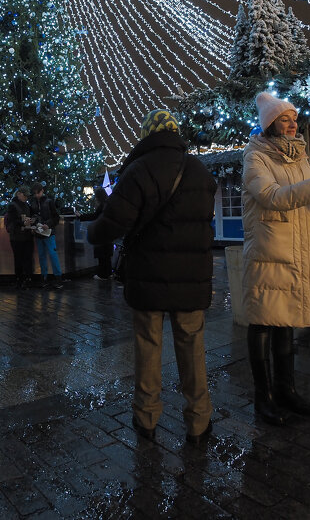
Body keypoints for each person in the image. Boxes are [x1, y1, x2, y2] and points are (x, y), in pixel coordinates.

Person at [87, 110, 217, 445]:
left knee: (148, 345)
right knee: (193, 348)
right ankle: (199, 421)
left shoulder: (139, 170)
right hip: (191, 278)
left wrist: (94, 231)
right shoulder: (199, 170)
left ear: (147, 135)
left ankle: (146, 417)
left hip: (149, 276)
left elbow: (113, 222)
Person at [242, 93, 310, 425]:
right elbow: (272, 196)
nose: (292, 124)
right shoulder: (256, 157)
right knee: (263, 322)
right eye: (284, 119)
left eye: (294, 118)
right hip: (269, 252)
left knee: (286, 322)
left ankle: (286, 389)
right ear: (270, 124)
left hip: (296, 252)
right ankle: (263, 398)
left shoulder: (299, 157)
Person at [29, 183, 63, 288]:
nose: (37, 195)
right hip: (45, 233)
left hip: (44, 233)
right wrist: (47, 224)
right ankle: (55, 278)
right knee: (50, 255)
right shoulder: (47, 202)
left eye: (37, 193)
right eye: (35, 194)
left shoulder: (43, 202)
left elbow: (56, 217)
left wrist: (45, 224)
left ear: (42, 191)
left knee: (46, 255)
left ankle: (46, 277)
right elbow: (55, 217)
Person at [3, 186, 36, 288]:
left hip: (23, 236)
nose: (26, 197)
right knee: (21, 259)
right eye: (24, 195)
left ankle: (24, 279)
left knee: (24, 258)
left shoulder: (24, 205)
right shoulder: (13, 206)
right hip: (18, 237)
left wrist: (33, 220)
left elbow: (33, 214)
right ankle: (21, 279)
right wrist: (24, 222)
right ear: (19, 194)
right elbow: (13, 220)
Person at [79, 186, 114, 280]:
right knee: (107, 256)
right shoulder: (108, 204)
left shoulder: (101, 206)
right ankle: (109, 273)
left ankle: (102, 275)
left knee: (102, 255)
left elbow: (94, 216)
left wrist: (81, 216)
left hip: (102, 233)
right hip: (108, 233)